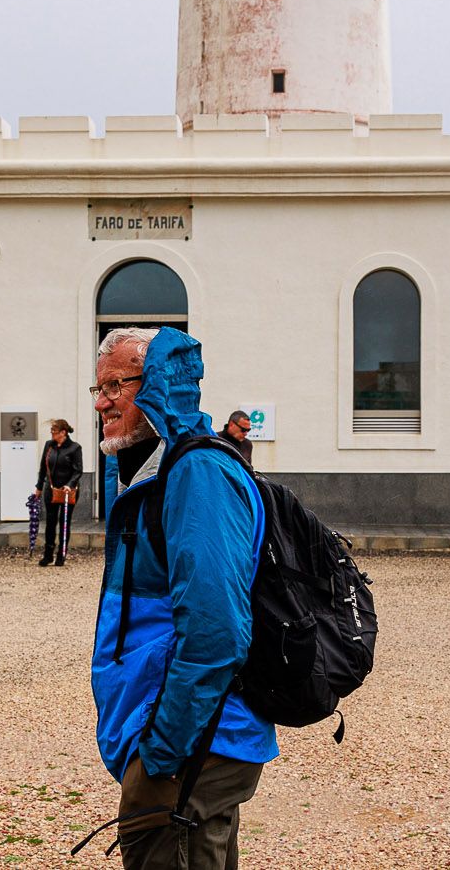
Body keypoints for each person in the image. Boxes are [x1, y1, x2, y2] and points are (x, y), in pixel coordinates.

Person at [88, 326, 274, 869]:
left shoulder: (195, 474)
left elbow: (216, 633)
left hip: (193, 744)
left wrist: (162, 753)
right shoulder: (161, 473)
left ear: (157, 386)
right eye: (97, 388)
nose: (101, 402)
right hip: (186, 737)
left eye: (115, 386)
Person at [35, 417, 84, 566]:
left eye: (54, 432)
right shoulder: (49, 446)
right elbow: (43, 468)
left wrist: (70, 484)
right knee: (50, 521)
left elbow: (78, 471)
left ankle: (61, 554)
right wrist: (39, 487)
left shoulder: (75, 448)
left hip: (68, 491)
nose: (52, 434)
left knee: (64, 521)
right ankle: (48, 554)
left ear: (63, 432)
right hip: (51, 489)